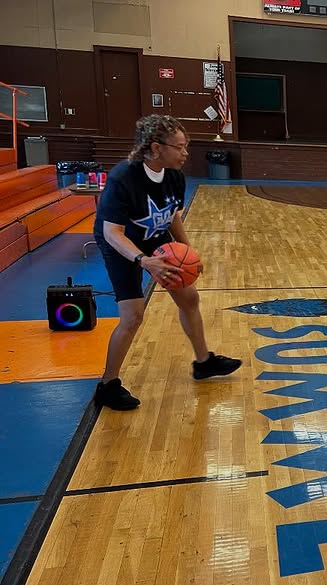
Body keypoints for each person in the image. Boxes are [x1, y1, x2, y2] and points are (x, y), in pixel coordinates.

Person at [92, 115, 241, 411]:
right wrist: (144, 261)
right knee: (133, 316)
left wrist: (188, 251)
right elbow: (112, 232)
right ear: (157, 148)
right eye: (180, 147)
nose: (186, 153)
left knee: (189, 297)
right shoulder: (124, 177)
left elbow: (172, 216)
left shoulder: (174, 175)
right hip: (121, 243)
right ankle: (108, 385)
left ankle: (204, 362)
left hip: (155, 238)